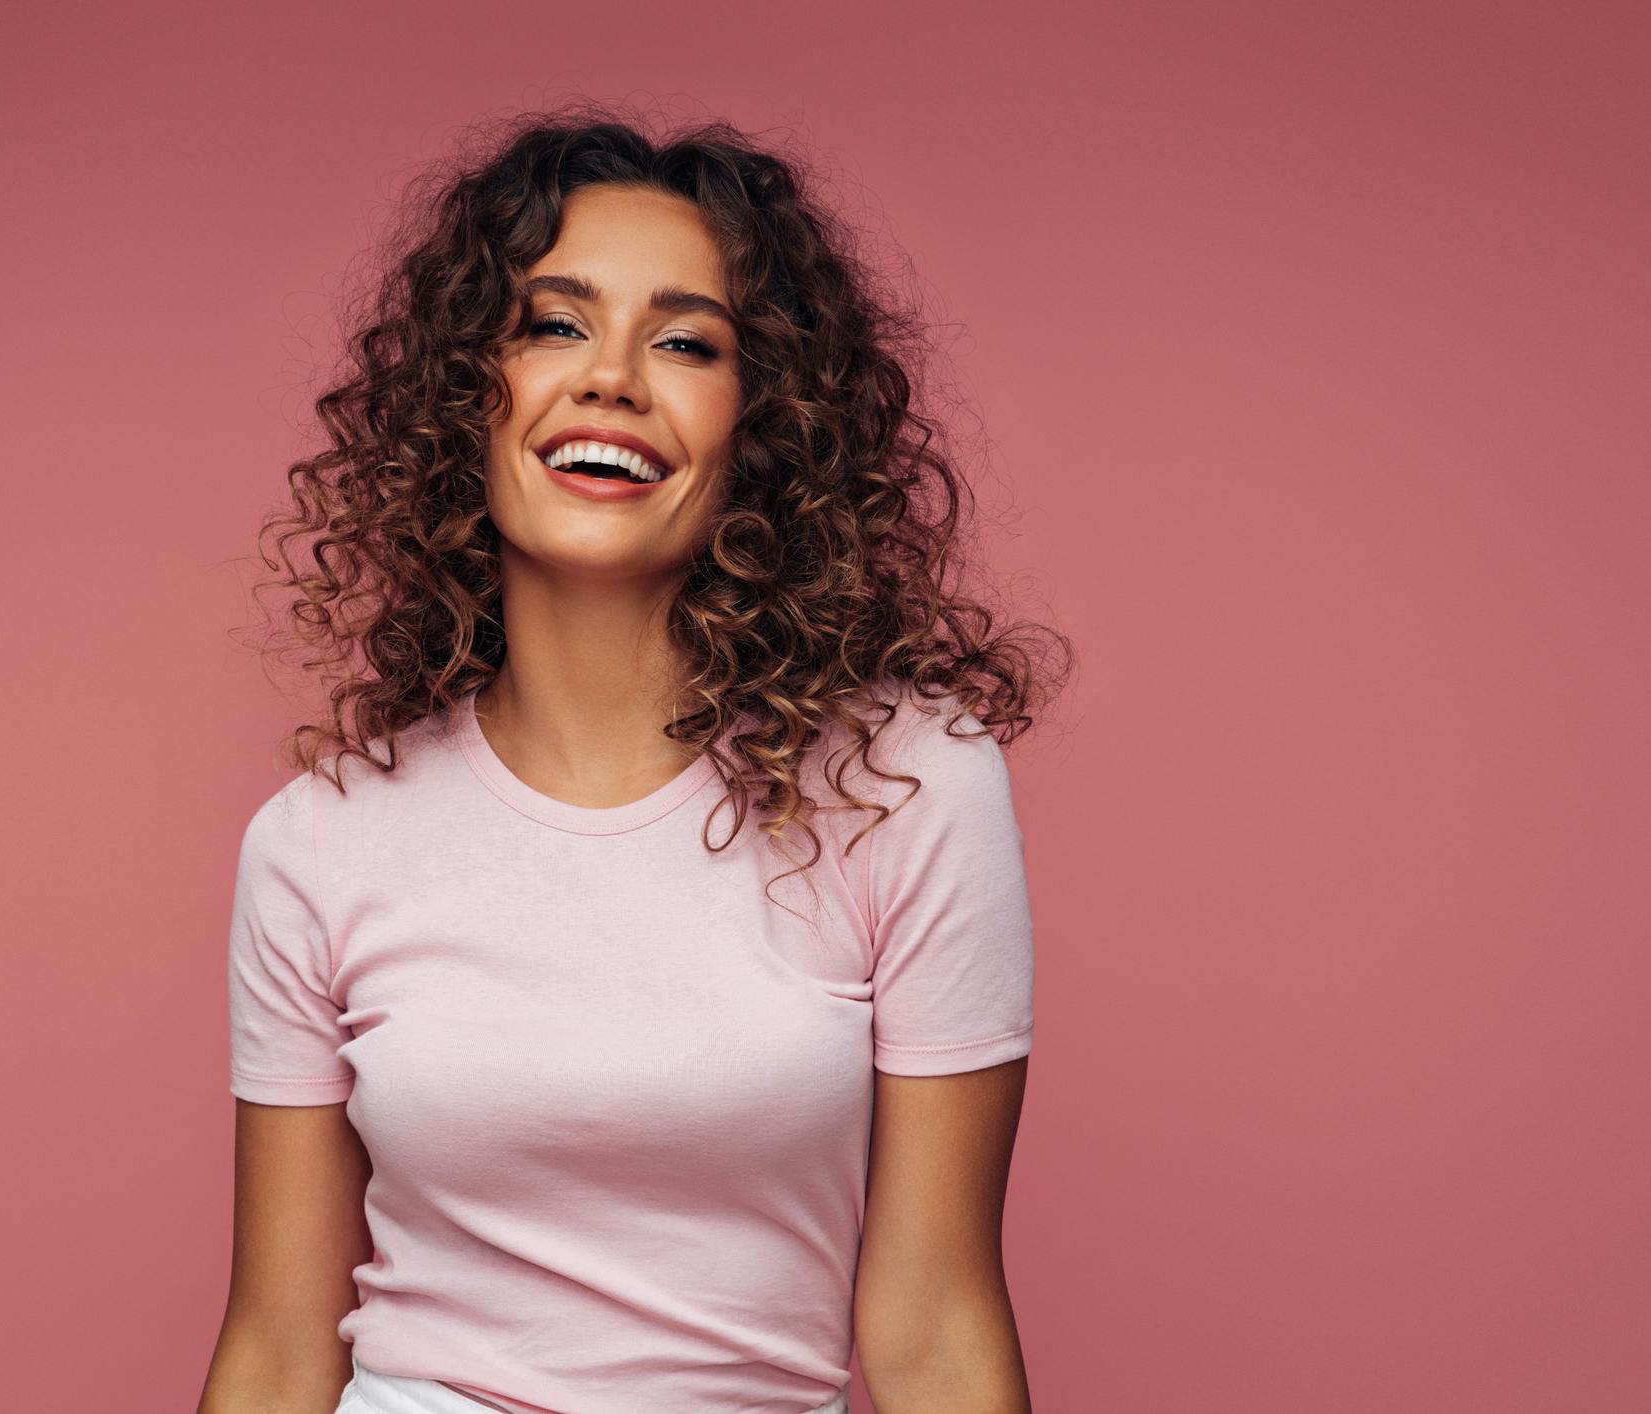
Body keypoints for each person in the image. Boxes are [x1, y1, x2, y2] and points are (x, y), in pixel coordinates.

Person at [198, 105, 1073, 1414]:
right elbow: (275, 1344)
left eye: (684, 341)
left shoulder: (905, 786)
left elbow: (935, 1319)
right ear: (464, 401)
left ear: (762, 430)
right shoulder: (317, 842)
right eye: (552, 323)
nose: (609, 376)